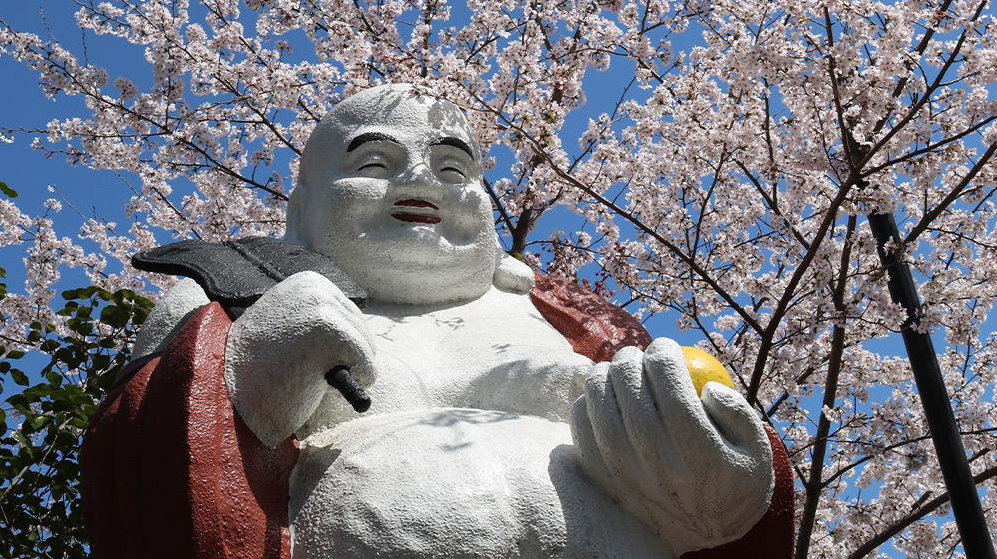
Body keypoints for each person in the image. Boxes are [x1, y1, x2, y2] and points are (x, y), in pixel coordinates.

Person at [87, 84, 794, 558]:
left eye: (455, 169)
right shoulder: (234, 301)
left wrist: (719, 484)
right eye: (375, 160)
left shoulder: (570, 318)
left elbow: (723, 479)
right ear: (301, 208)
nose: (422, 182)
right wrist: (251, 371)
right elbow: (134, 471)